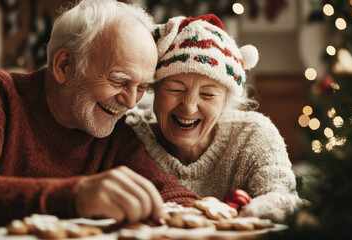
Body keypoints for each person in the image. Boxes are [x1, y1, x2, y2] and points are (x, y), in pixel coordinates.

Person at [0, 0, 200, 228]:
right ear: (64, 64)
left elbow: (173, 195)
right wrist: (76, 197)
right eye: (119, 80)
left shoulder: (115, 130)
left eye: (142, 87)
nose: (131, 102)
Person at [127, 14, 303, 222]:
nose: (189, 107)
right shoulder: (127, 134)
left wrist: (270, 205)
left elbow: (283, 197)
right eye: (175, 89)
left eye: (208, 94)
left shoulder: (254, 135)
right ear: (154, 89)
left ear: (225, 103)